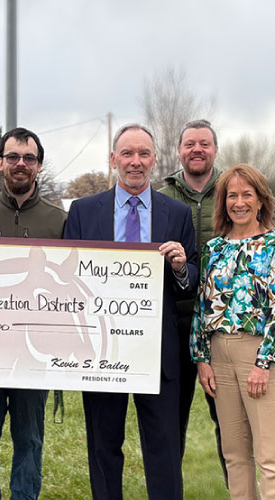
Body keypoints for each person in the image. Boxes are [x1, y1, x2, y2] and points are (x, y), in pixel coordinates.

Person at [64, 124, 199, 499]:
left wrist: (180, 267)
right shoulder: (83, 212)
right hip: (102, 351)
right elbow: (66, 280)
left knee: (164, 450)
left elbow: (191, 280)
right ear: (113, 160)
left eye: (143, 154)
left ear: (155, 160)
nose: (135, 162)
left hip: (158, 355)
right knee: (104, 449)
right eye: (127, 153)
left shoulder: (177, 214)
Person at [0, 127, 66, 500]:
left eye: (28, 158)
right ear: (0, 163)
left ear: (39, 166)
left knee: (29, 438)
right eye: (13, 157)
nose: (20, 164)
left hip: (35, 354)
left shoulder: (59, 220)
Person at [191, 165, 275, 500]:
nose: (239, 202)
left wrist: (264, 364)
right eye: (232, 195)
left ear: (261, 200)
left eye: (247, 194)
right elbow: (202, 306)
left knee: (269, 457)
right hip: (220, 355)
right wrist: (202, 359)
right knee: (234, 454)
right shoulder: (214, 249)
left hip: (261, 354)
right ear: (223, 203)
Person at [157, 118, 228, 485]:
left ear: (215, 150)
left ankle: (240, 489)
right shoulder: (161, 196)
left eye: (204, 143)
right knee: (171, 421)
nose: (197, 150)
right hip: (172, 322)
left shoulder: (233, 191)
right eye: (190, 144)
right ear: (179, 150)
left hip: (221, 324)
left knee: (229, 420)